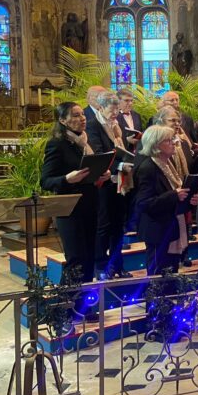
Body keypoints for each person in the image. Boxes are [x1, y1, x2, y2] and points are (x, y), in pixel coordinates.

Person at [41, 102, 109, 288]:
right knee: (76, 260)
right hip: (69, 210)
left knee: (89, 258)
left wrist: (101, 174)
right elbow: (46, 181)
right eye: (76, 115)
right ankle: (66, 307)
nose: (82, 118)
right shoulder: (57, 144)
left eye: (82, 115)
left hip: (90, 205)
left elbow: (89, 172)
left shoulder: (85, 142)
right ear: (63, 120)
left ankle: (84, 304)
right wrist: (66, 179)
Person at [134, 126, 198, 276]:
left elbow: (175, 196)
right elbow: (144, 203)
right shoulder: (148, 168)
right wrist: (174, 195)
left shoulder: (168, 164)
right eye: (168, 140)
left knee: (171, 273)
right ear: (156, 144)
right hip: (157, 229)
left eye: (173, 139)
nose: (174, 143)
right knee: (159, 275)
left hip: (171, 226)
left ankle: (167, 300)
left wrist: (190, 200)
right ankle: (156, 301)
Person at [85, 92, 133, 280]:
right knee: (104, 225)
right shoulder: (93, 126)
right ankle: (100, 264)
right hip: (104, 183)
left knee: (118, 225)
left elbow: (119, 150)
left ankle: (117, 264)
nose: (115, 114)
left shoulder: (116, 125)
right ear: (100, 108)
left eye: (117, 110)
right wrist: (120, 165)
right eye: (112, 110)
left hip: (119, 182)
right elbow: (99, 154)